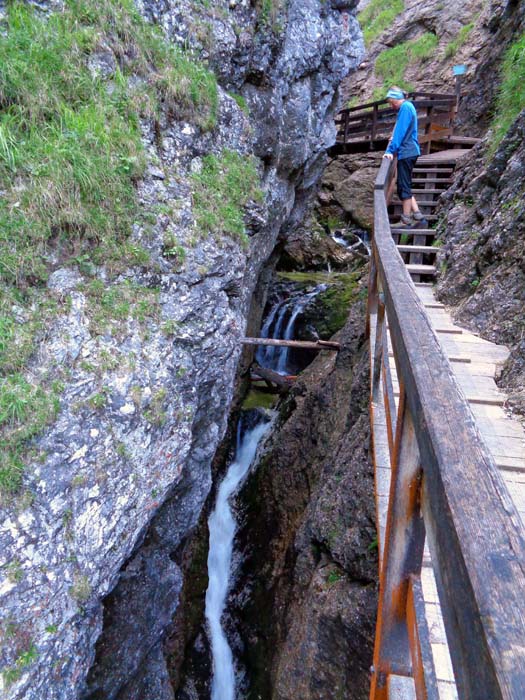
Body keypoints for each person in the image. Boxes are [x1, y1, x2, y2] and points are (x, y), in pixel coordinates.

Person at [382, 87, 427, 228]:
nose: (391, 106)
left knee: (403, 185)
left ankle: (406, 219)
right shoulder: (409, 107)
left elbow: (400, 132)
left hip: (407, 151)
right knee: (405, 183)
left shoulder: (405, 108)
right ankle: (418, 215)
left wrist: (390, 150)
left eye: (391, 102)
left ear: (396, 99)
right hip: (410, 150)